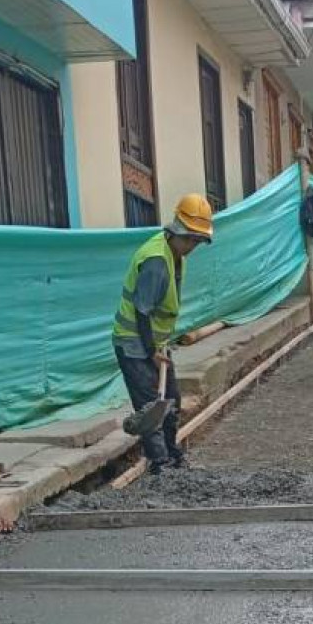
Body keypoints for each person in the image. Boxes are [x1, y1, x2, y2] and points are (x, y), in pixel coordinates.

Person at [113, 193, 213, 476]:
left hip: (154, 341)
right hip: (134, 343)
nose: (194, 246)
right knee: (152, 408)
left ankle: (173, 455)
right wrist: (152, 351)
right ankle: (160, 465)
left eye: (198, 241)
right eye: (191, 239)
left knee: (171, 400)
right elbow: (142, 310)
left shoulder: (174, 254)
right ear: (178, 231)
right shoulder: (157, 260)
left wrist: (160, 346)